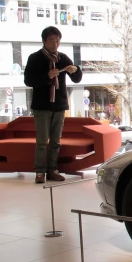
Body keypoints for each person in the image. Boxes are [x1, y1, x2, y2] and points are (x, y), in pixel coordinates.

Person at [24, 26, 83, 184]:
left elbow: (77, 79)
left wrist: (75, 69)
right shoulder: (35, 58)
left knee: (56, 141)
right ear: (44, 41)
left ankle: (52, 170)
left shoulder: (63, 58)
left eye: (57, 40)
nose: (55, 44)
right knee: (42, 141)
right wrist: (47, 77)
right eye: (51, 40)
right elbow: (28, 81)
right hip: (42, 106)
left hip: (59, 105)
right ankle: (39, 171)